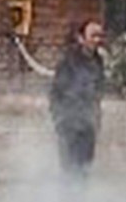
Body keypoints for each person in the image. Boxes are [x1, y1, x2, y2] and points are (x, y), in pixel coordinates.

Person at [13, 18, 108, 178]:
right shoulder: (69, 62)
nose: (97, 40)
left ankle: (81, 201)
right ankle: (68, 200)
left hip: (89, 124)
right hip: (69, 124)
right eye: (93, 36)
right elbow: (56, 93)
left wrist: (96, 118)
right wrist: (60, 120)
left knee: (85, 168)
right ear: (81, 38)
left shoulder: (98, 61)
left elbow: (98, 90)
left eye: (100, 36)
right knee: (70, 170)